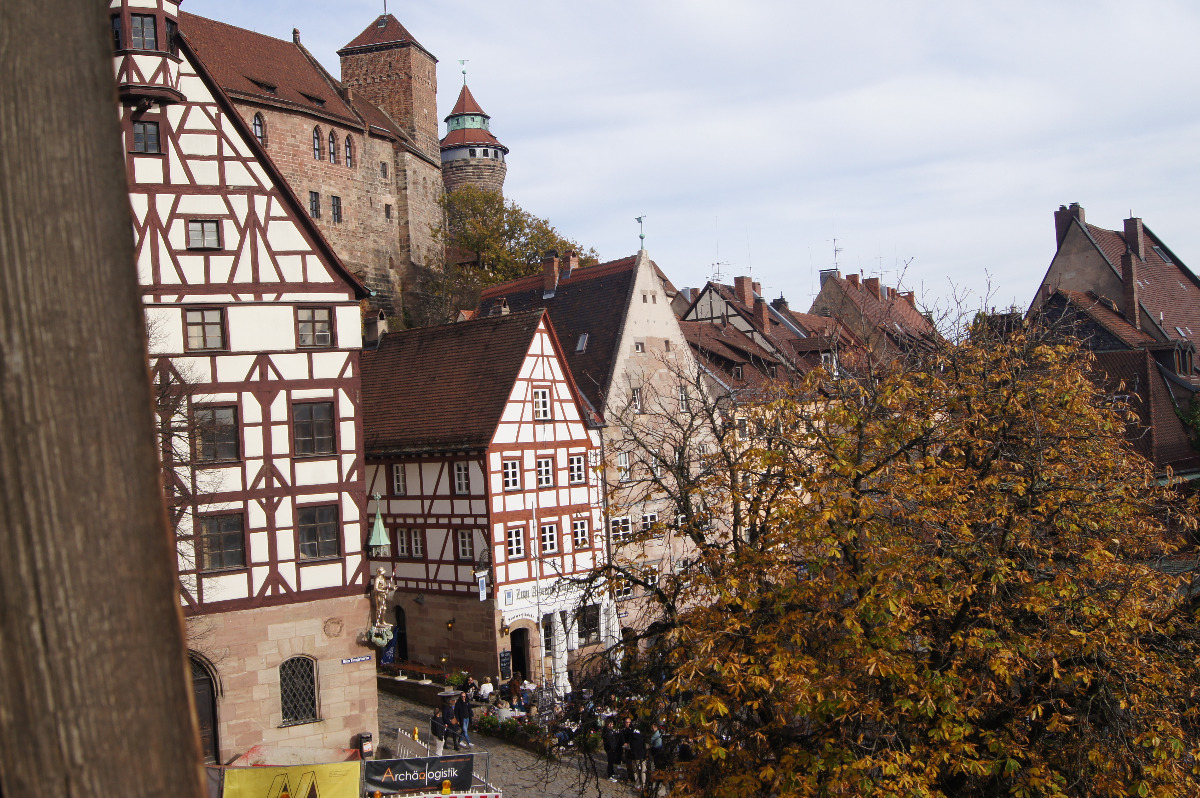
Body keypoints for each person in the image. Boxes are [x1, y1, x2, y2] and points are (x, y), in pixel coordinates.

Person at [623, 716, 647, 788]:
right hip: (642, 754)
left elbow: (631, 745)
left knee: (635, 770)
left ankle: (637, 784)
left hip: (635, 755)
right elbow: (643, 744)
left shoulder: (630, 734)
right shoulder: (640, 734)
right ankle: (643, 784)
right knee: (643, 771)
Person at [602, 717, 623, 783]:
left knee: (612, 761)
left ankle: (612, 773)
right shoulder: (607, 731)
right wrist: (612, 747)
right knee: (610, 762)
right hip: (610, 749)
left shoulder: (610, 730)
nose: (612, 725)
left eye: (612, 724)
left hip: (612, 748)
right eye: (610, 724)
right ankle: (610, 775)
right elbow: (609, 741)